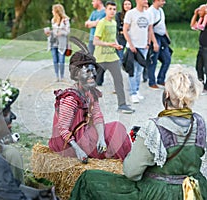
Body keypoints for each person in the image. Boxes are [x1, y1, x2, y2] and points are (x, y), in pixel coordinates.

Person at [70, 66, 207, 200]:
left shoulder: (154, 127)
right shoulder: (199, 123)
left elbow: (131, 173)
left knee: (87, 179)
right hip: (196, 190)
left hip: (159, 193)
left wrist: (139, 148)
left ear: (166, 95)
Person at [49, 46, 132, 163]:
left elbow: (97, 115)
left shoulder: (90, 92)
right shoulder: (70, 98)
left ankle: (126, 162)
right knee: (115, 132)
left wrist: (101, 138)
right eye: (87, 71)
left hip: (85, 133)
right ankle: (123, 161)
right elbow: (63, 129)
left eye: (93, 71)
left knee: (117, 128)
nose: (92, 75)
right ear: (77, 74)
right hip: (70, 142)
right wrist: (78, 150)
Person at [93, 1, 134, 114]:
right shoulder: (102, 23)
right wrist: (109, 44)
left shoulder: (114, 23)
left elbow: (112, 38)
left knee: (119, 80)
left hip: (112, 57)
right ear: (105, 10)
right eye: (110, 9)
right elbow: (96, 41)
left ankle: (122, 105)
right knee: (92, 82)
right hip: (100, 58)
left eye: (114, 9)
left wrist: (116, 44)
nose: (112, 11)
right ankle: (84, 106)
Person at [123, 0, 159, 104]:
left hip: (143, 47)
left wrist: (148, 43)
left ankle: (137, 90)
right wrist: (130, 44)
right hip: (133, 47)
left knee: (140, 70)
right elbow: (125, 30)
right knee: (132, 70)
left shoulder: (149, 14)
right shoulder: (131, 13)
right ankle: (132, 93)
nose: (146, 1)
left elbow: (150, 30)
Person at [147, 0, 172, 89]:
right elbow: (150, 28)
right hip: (155, 36)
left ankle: (161, 79)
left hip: (162, 36)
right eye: (162, 0)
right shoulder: (150, 12)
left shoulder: (161, 10)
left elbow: (163, 24)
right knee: (153, 60)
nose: (164, 2)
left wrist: (167, 37)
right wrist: (154, 42)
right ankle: (152, 82)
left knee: (167, 59)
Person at [44, 4, 70, 82]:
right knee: (55, 60)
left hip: (62, 42)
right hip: (53, 42)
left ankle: (62, 76)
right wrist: (49, 32)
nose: (52, 12)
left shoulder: (65, 20)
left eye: (53, 10)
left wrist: (61, 33)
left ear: (57, 11)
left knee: (61, 59)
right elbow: (54, 31)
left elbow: (68, 31)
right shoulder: (53, 20)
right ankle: (56, 76)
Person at [191, 4, 207, 95]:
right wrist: (195, 15)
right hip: (201, 48)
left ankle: (206, 87)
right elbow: (193, 26)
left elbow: (201, 27)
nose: (198, 11)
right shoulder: (202, 19)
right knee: (199, 67)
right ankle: (200, 85)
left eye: (200, 10)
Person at [115, 0, 132, 64]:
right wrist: (126, 29)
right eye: (125, 4)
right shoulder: (118, 15)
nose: (127, 6)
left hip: (131, 37)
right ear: (123, 6)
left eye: (129, 4)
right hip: (121, 37)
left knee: (129, 56)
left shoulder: (134, 14)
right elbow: (119, 27)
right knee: (120, 56)